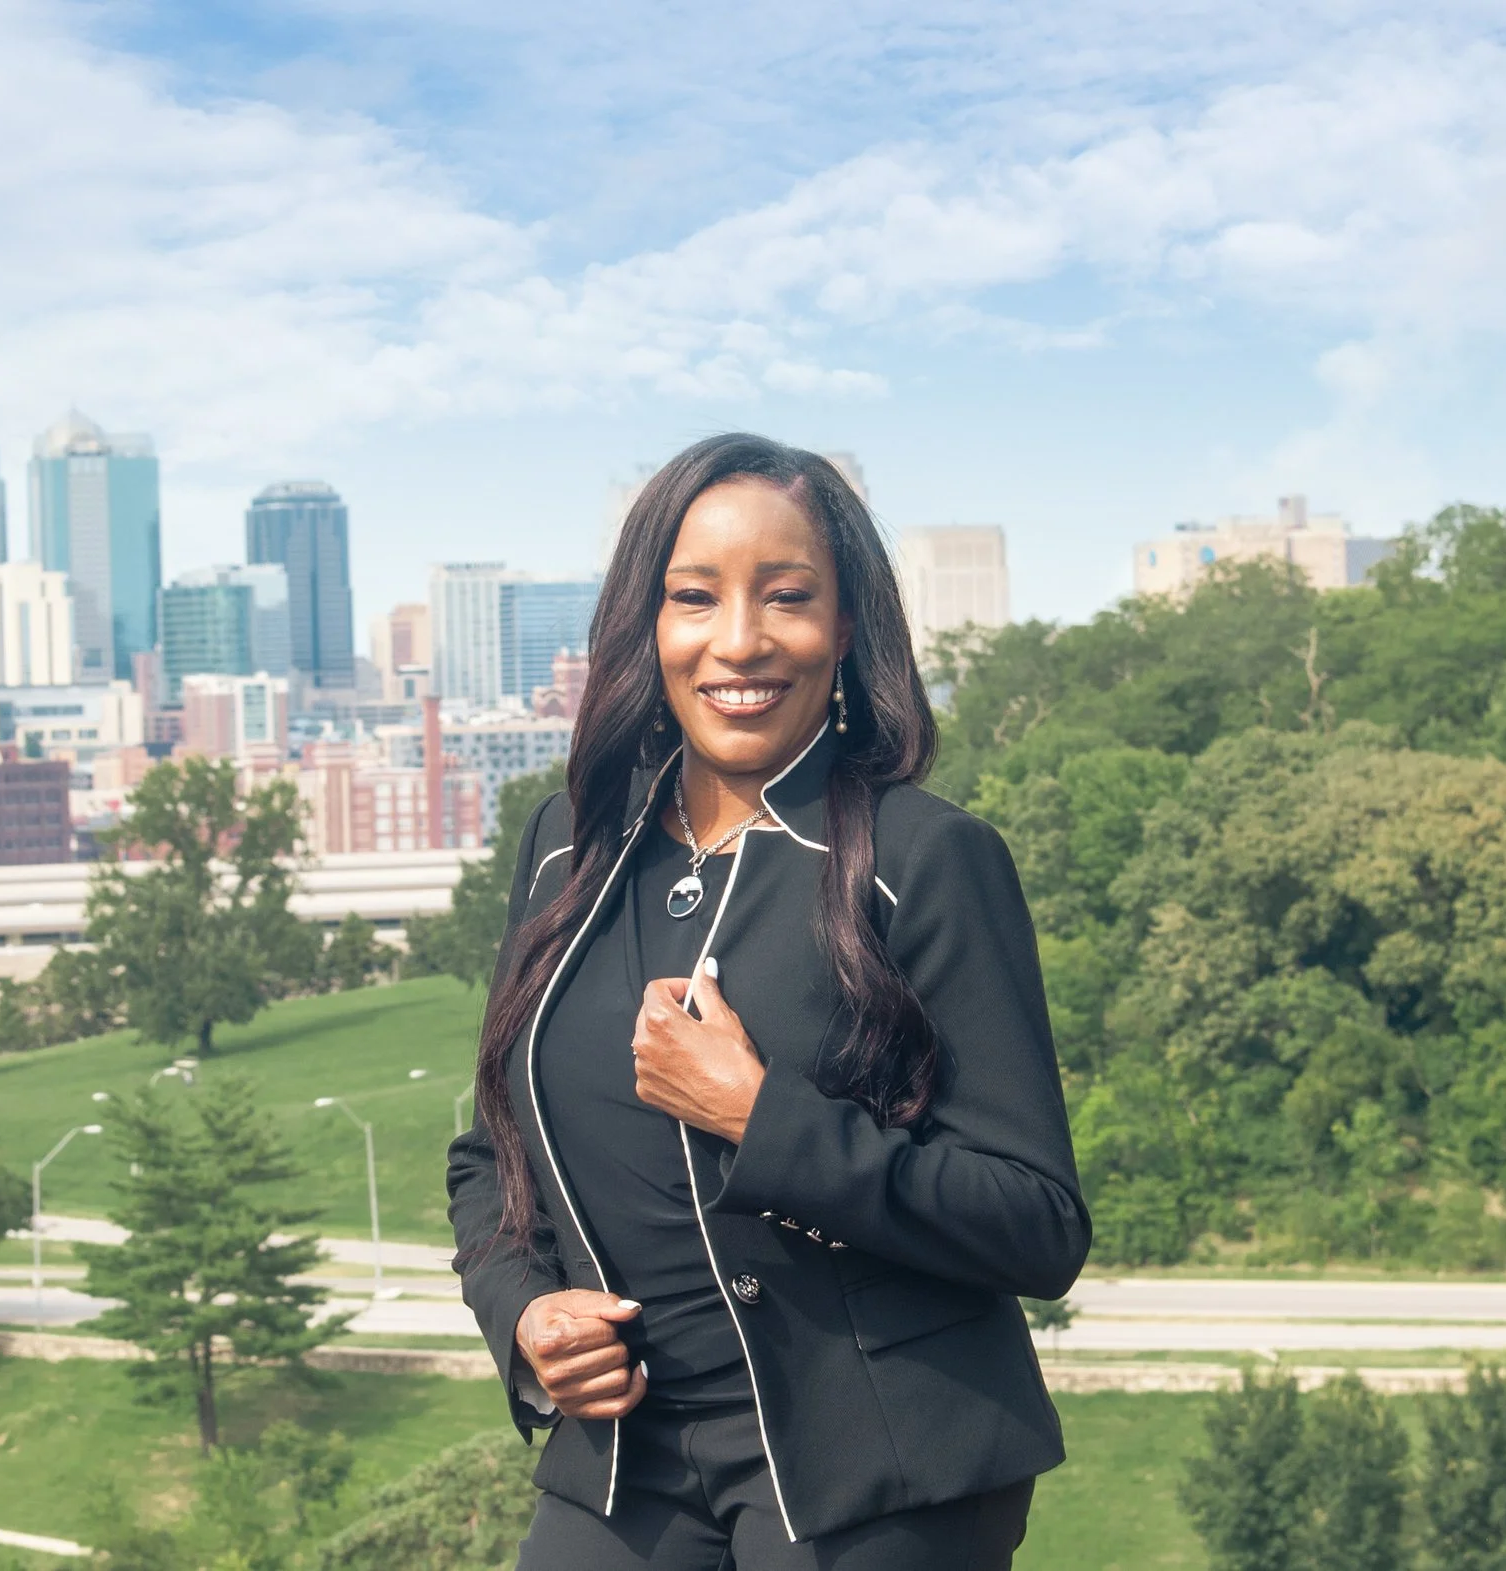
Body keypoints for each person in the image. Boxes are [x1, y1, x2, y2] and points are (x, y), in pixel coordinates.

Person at [448, 434, 1088, 1569]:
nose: (738, 640)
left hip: (877, 1467)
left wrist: (761, 1114)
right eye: (695, 597)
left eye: (786, 597)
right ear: (648, 624)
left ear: (845, 629)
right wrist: (524, 1320)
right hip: (623, 1464)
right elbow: (488, 1156)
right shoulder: (567, 849)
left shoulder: (928, 859)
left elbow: (1034, 1222)